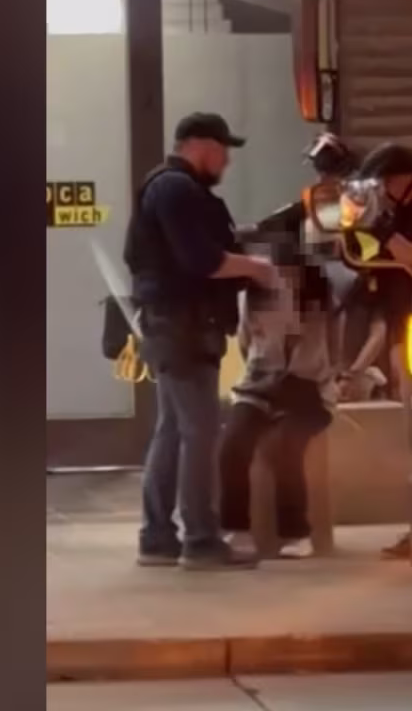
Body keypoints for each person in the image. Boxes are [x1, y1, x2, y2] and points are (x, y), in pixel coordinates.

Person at [124, 112, 278, 571]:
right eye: (222, 148)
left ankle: (157, 538)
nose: (227, 159)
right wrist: (256, 268)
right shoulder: (176, 188)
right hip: (183, 328)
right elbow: (202, 260)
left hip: (174, 326)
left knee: (174, 429)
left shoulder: (172, 188)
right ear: (198, 144)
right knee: (200, 433)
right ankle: (201, 538)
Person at [216, 133, 355, 560]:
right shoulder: (253, 296)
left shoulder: (322, 295)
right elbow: (244, 342)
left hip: (308, 389)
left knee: (285, 447)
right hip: (260, 386)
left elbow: (331, 347)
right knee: (232, 445)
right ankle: (235, 529)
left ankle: (297, 531)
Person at [344, 142, 412, 559]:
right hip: (400, 332)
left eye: (386, 183)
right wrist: (358, 227)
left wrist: (386, 232)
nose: (383, 191)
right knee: (411, 438)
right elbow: (365, 261)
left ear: (404, 179)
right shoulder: (388, 214)